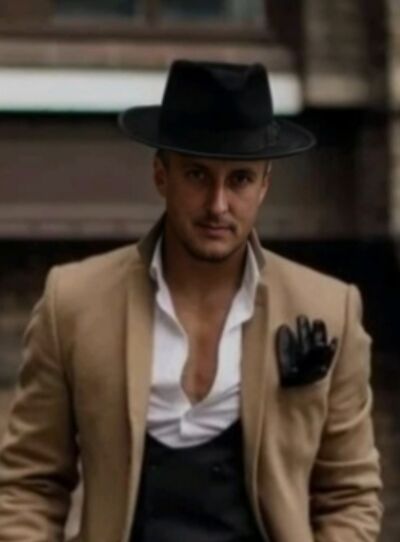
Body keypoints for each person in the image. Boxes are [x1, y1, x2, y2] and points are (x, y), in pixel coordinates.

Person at [0, 60, 382, 542]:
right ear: (162, 175)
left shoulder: (328, 308)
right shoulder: (74, 302)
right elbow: (29, 485)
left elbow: (350, 496)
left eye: (239, 179)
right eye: (198, 175)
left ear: (265, 184)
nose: (217, 205)